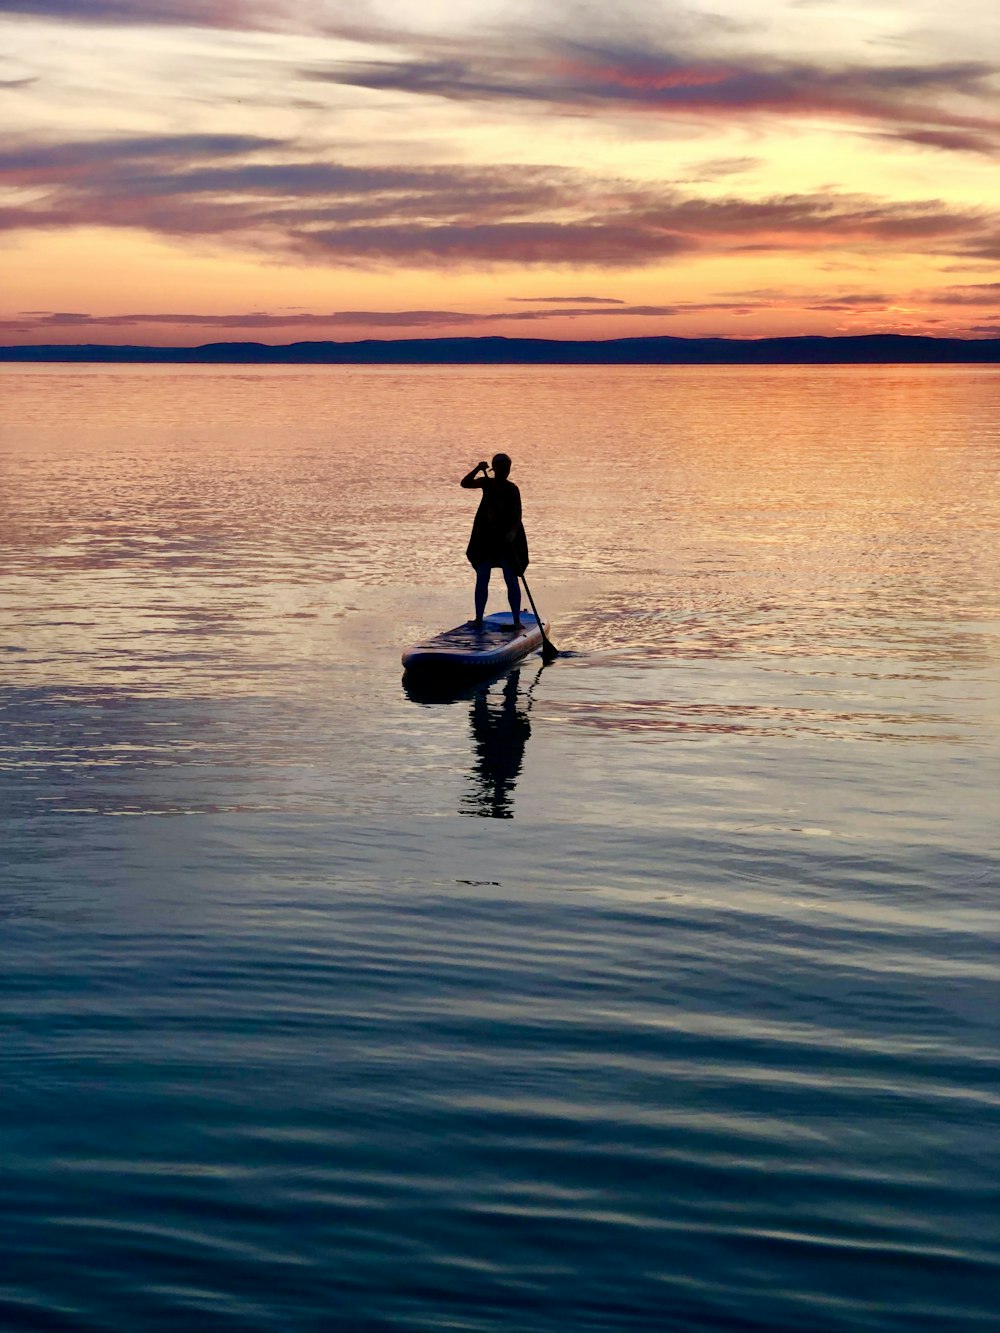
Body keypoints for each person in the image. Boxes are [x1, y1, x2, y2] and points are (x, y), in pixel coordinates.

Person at [461, 453, 529, 629]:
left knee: (510, 577)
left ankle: (516, 621)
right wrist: (477, 468)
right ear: (494, 469)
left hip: (506, 541)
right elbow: (465, 483)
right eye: (501, 468)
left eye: (507, 469)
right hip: (486, 540)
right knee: (482, 577)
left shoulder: (512, 489)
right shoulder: (486, 483)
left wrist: (512, 533)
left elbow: (517, 514)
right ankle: (478, 618)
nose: (504, 472)